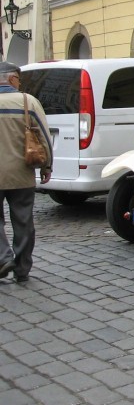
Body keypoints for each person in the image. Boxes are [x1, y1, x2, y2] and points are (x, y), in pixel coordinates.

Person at [0, 62, 53, 283]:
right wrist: (47, 166)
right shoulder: (27, 102)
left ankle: (3, 258)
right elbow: (44, 137)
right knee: (23, 220)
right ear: (12, 79)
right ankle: (21, 269)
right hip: (21, 173)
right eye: (19, 80)